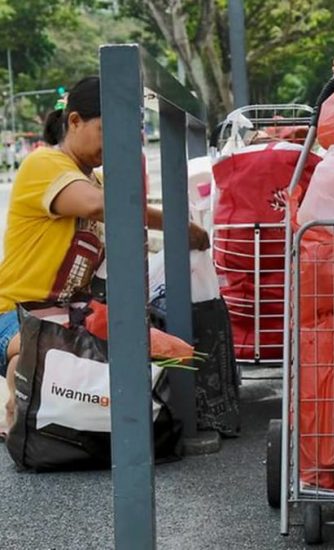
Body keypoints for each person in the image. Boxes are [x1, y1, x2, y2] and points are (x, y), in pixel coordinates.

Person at [0, 76, 209, 435]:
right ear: (75, 121)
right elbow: (102, 207)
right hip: (14, 315)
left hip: (69, 318)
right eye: (105, 130)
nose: (116, 143)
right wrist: (176, 224)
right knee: (48, 354)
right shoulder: (45, 164)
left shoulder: (93, 178)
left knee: (150, 355)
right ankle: (18, 412)